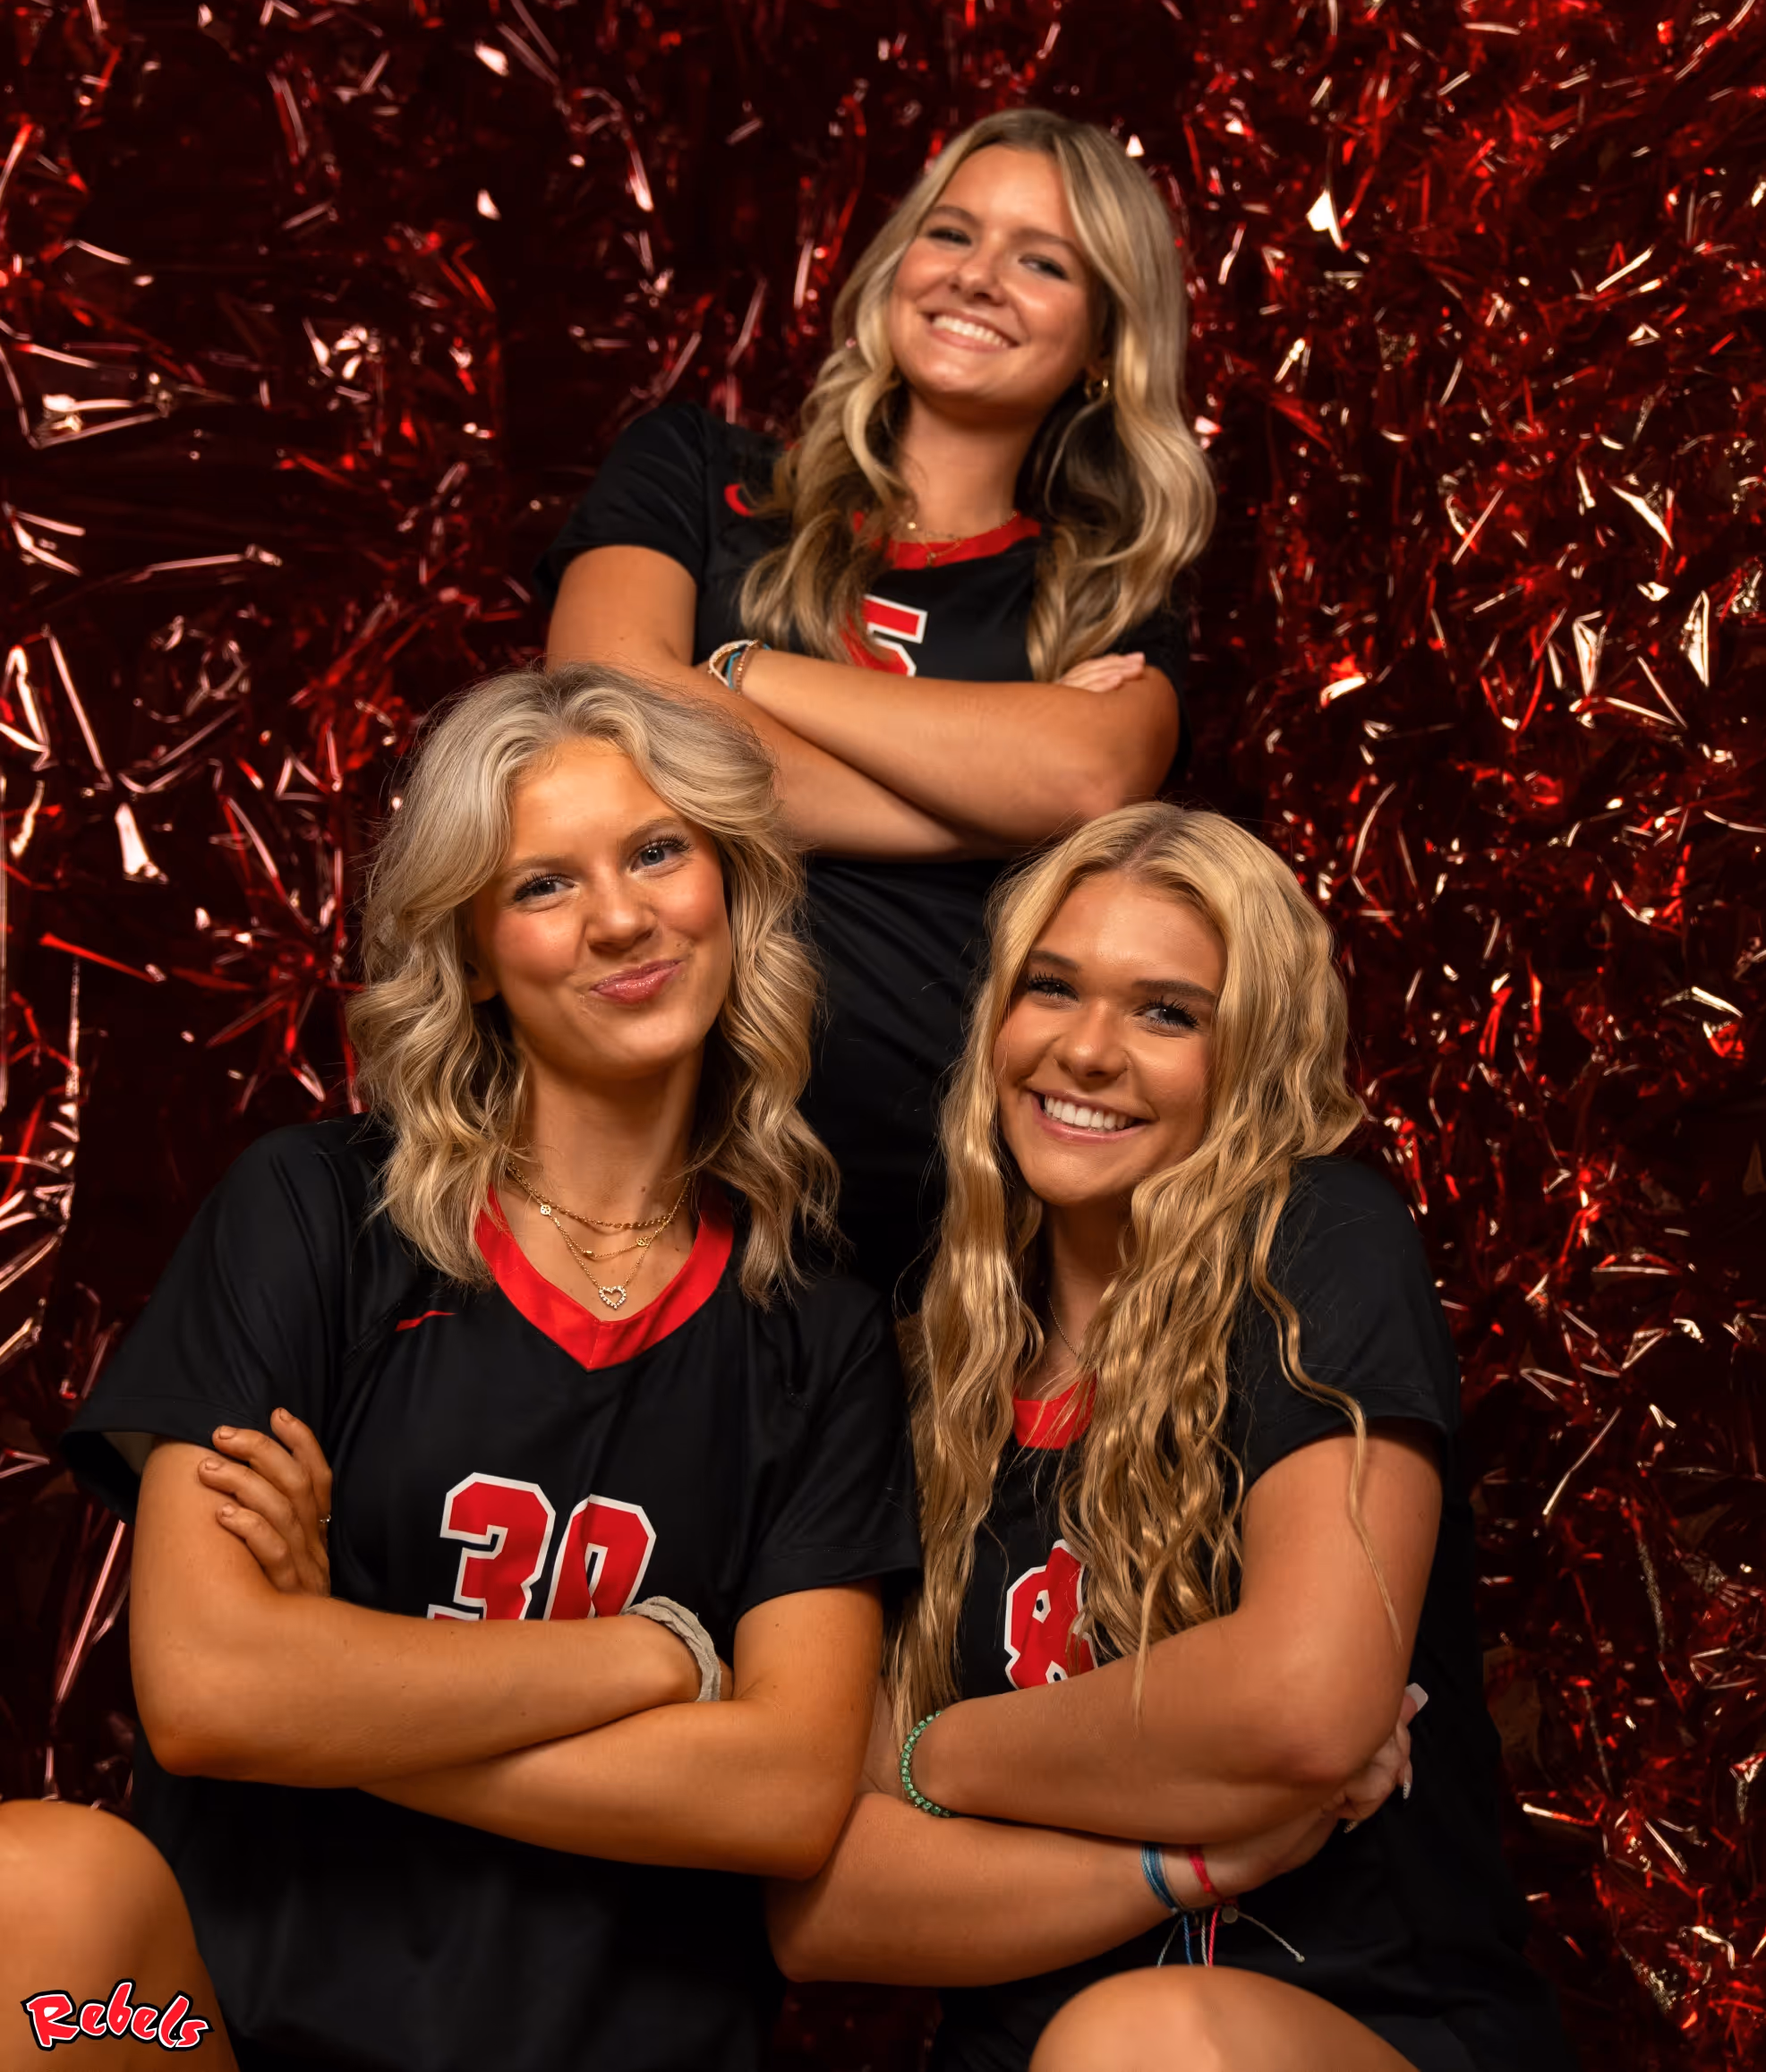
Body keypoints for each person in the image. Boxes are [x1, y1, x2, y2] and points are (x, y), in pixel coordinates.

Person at [44, 665, 921, 2072]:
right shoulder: (315, 1216)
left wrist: (338, 1676)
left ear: (732, 887)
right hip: (218, 2035)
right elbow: (211, 1696)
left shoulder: (817, 1329)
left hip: (610, 2049)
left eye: (655, 852)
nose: (621, 918)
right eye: (542, 887)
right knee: (34, 1906)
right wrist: (660, 1657)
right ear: (469, 951)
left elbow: (783, 1794)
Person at [767, 804, 1578, 2072]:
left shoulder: (1318, 1246)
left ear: (1250, 1055)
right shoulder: (915, 1364)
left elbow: (1306, 1707)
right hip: (1033, 2049)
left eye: (1167, 1012)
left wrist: (922, 1760)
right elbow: (825, 1909)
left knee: (1132, 2043)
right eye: (1052, 989)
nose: (1087, 1051)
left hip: (1362, 2030)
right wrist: (1195, 1856)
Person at [539, 107, 1215, 1297]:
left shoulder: (1100, 595)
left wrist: (738, 673)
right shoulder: (699, 475)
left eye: (1041, 260)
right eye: (952, 233)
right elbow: (605, 711)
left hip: (922, 1212)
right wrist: (973, 802)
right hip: (644, 1157)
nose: (978, 277)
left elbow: (1084, 781)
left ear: (1106, 339)